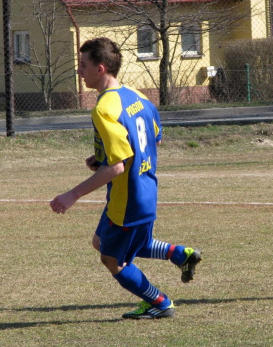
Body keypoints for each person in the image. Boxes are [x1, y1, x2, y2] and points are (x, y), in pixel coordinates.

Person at [50, 37, 202, 319]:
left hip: (127, 199)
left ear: (101, 68)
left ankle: (159, 302)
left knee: (111, 259)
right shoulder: (137, 96)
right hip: (146, 190)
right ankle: (181, 255)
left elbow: (117, 167)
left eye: (83, 65)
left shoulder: (103, 109)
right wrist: (101, 158)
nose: (79, 71)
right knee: (105, 242)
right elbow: (153, 140)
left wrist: (72, 195)